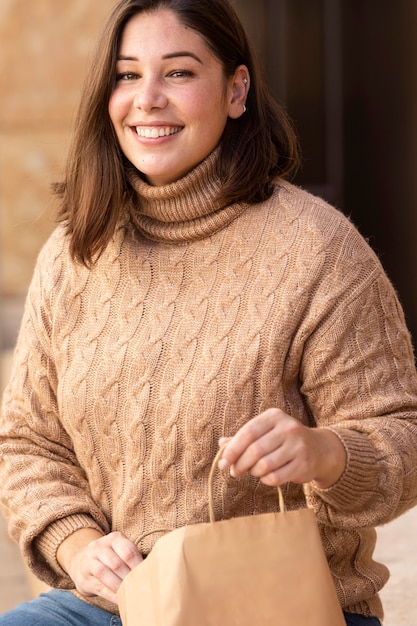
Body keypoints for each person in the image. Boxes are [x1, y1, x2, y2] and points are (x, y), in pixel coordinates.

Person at [1, 0, 417, 624]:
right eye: (127, 74)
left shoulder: (320, 251)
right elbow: (26, 445)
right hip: (110, 607)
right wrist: (79, 547)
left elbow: (401, 440)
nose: (147, 98)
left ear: (236, 90)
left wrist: (324, 452)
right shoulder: (76, 251)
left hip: (277, 604)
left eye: (178, 72)